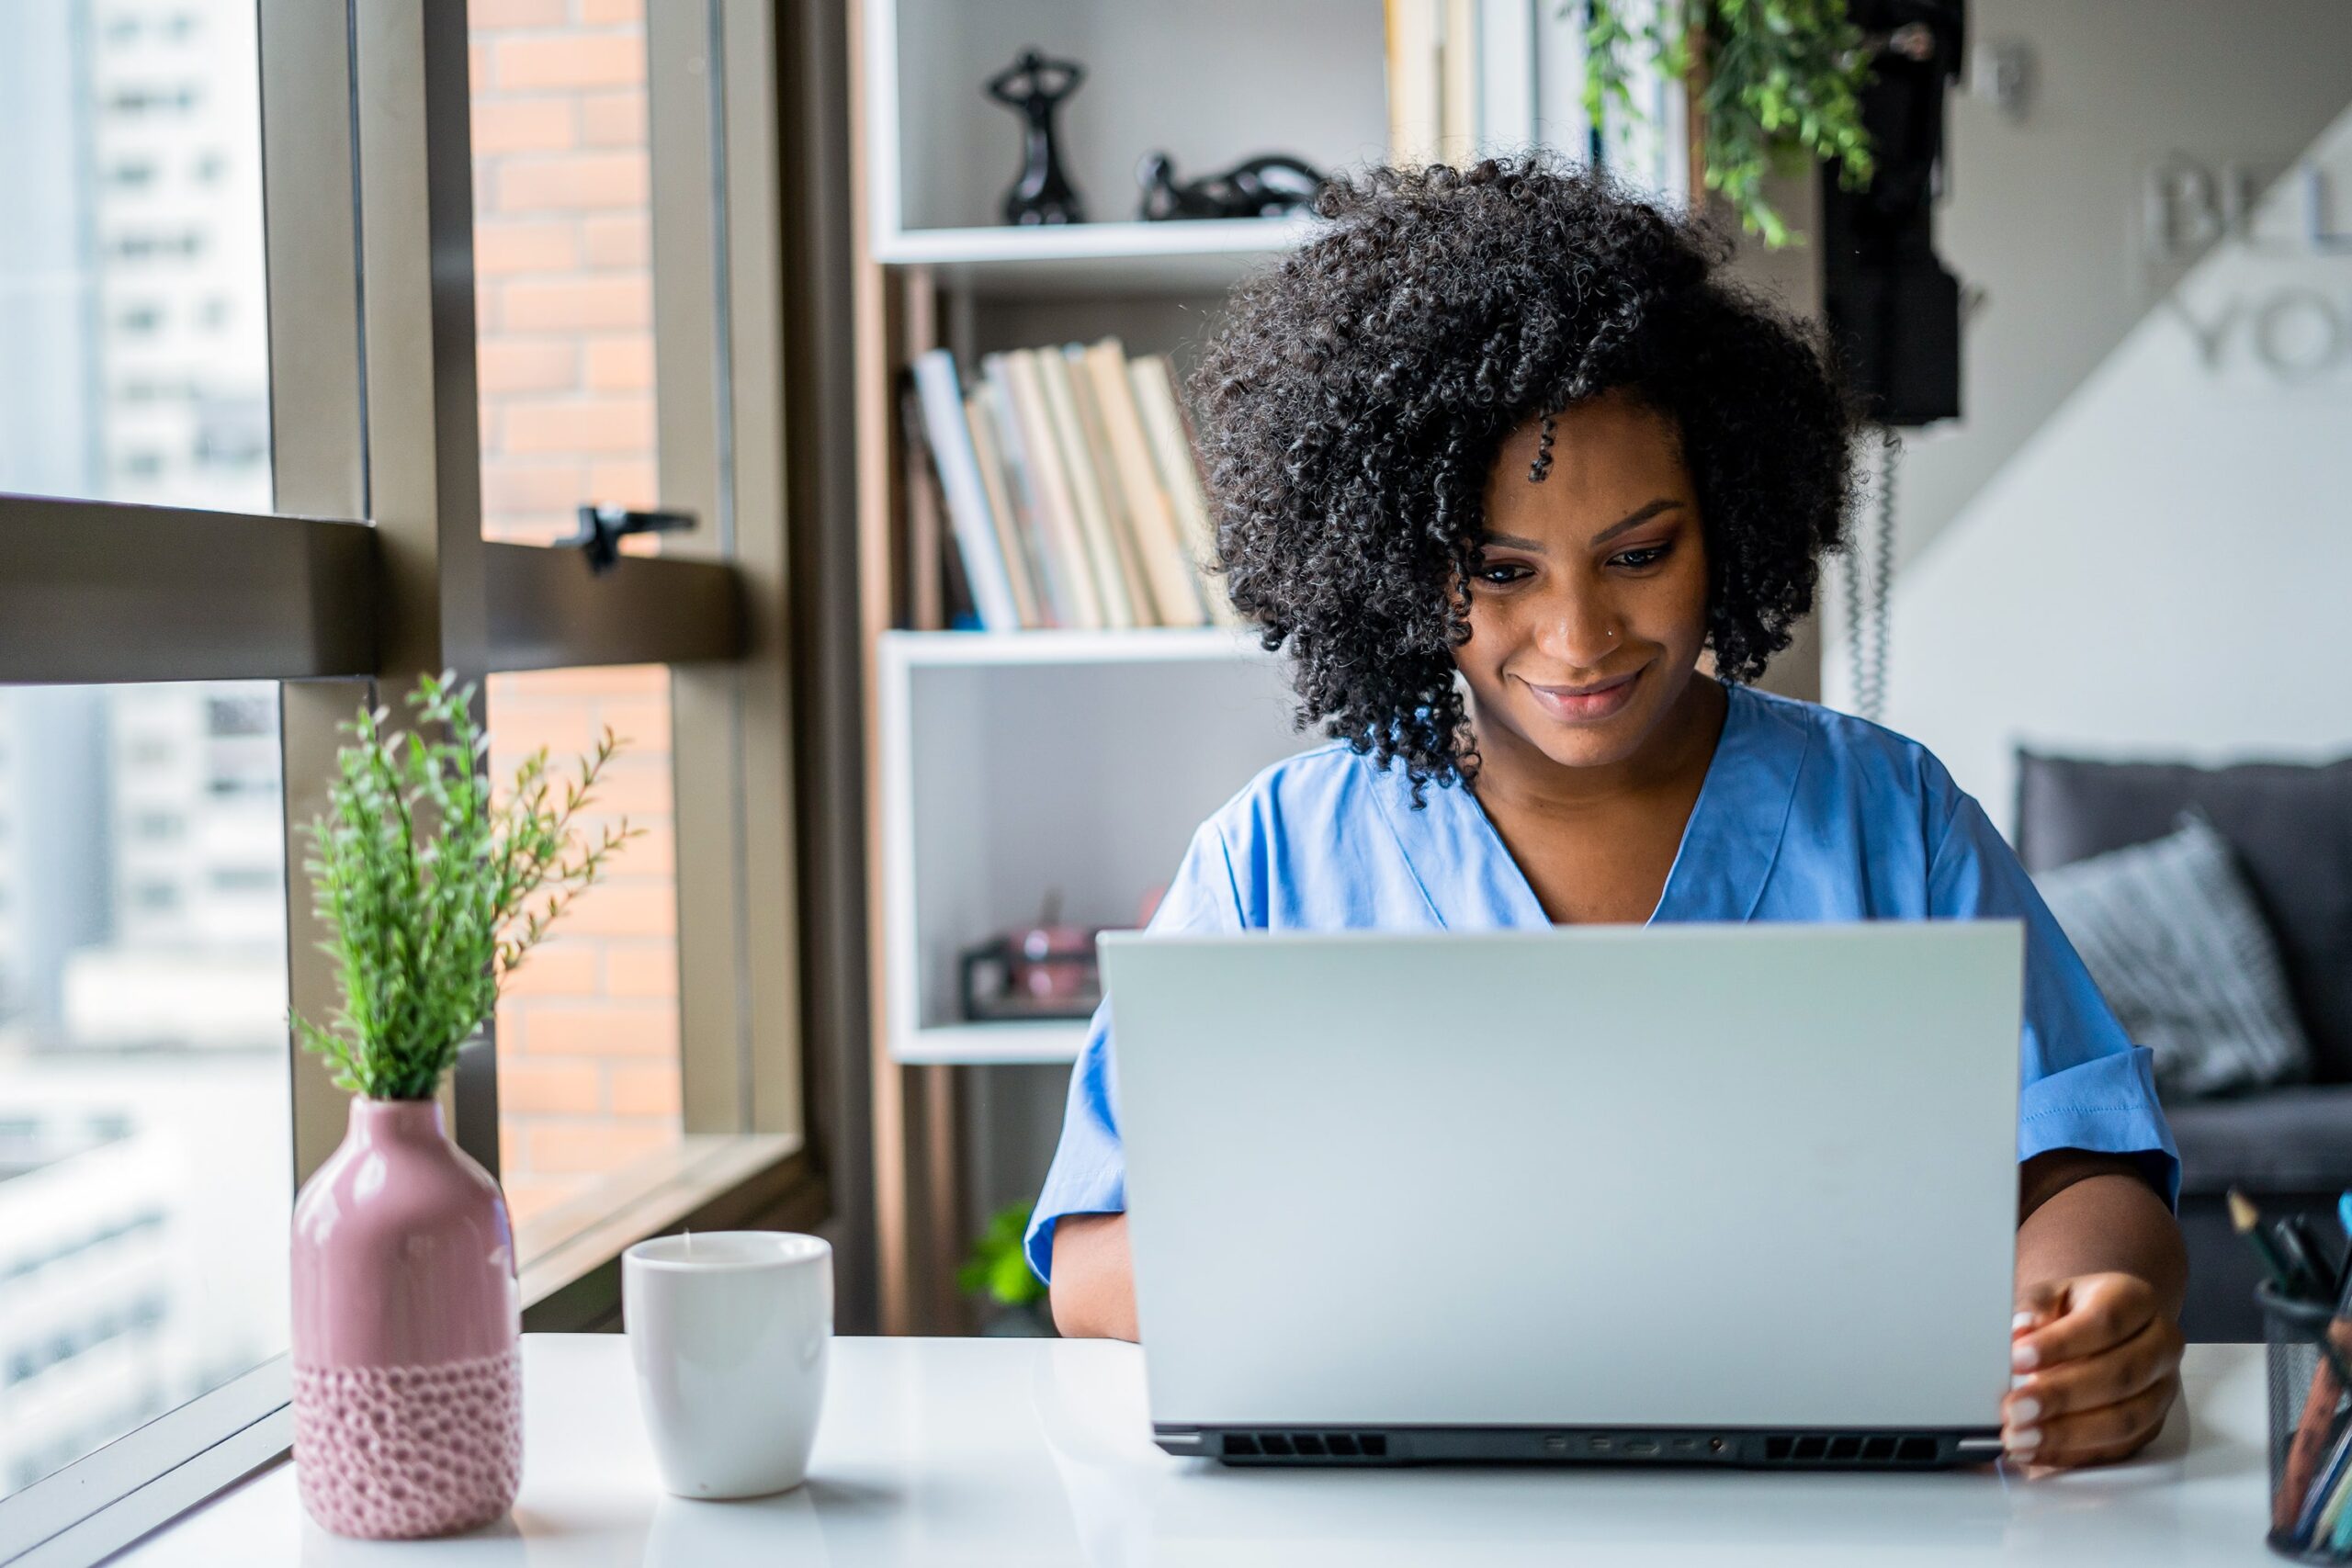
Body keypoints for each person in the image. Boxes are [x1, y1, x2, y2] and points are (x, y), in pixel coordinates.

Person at [1027, 157, 2185, 1472]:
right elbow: (1093, 1258)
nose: (1578, 638)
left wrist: (2091, 1313)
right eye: (1501, 572)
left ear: (1732, 522)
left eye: (1640, 554)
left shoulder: (1888, 815)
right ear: (1395, 565)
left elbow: (2087, 1170)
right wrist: (1422, 1271)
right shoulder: (1272, 858)